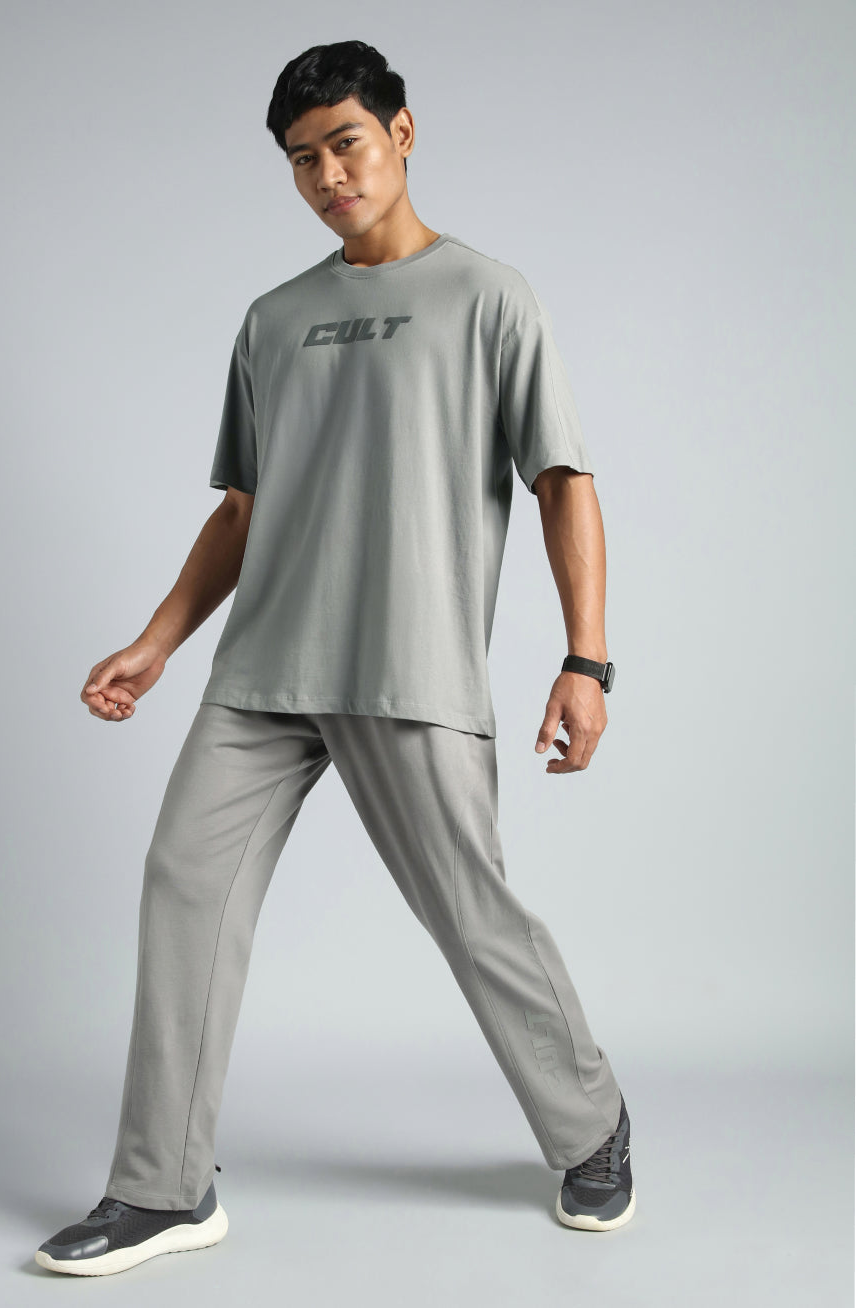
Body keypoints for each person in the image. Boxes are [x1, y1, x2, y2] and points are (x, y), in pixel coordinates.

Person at [35, 39, 635, 1279]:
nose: (327, 176)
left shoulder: (489, 297)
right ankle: (163, 1189)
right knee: (183, 884)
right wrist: (157, 643)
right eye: (302, 159)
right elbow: (243, 509)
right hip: (263, 670)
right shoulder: (274, 320)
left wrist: (589, 662)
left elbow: (563, 481)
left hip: (408, 665)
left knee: (469, 911)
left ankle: (592, 1126)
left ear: (402, 134)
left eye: (345, 144)